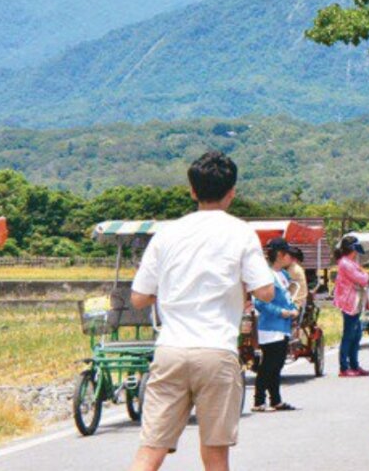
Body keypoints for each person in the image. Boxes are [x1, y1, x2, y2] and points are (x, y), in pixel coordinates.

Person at [127, 151, 275, 471]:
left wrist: (171, 292)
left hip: (171, 349)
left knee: (150, 450)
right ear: (232, 192)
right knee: (215, 454)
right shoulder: (240, 232)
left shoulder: (167, 233)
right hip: (216, 350)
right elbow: (266, 290)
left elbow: (139, 297)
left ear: (192, 191)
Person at [251, 238, 300, 413]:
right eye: (288, 254)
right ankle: (259, 400)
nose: (291, 258)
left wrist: (293, 308)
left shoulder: (283, 275)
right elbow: (259, 302)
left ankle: (276, 399)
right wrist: (282, 312)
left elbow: (287, 297)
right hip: (271, 325)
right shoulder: (266, 275)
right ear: (280, 255)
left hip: (283, 325)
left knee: (277, 364)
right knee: (269, 365)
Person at [334, 234, 369, 377]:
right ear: (352, 249)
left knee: (356, 334)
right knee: (349, 335)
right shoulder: (345, 263)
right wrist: (365, 274)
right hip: (349, 302)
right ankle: (344, 367)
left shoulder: (349, 262)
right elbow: (362, 279)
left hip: (355, 302)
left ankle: (354, 365)